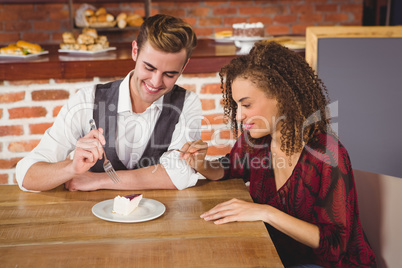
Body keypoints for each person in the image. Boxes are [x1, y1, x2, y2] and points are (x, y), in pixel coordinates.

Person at [180, 41, 377, 267]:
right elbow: (229, 169)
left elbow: (333, 246)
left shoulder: (327, 154)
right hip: (280, 258)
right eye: (237, 106)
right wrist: (202, 164)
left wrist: (266, 212)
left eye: (247, 104)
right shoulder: (255, 141)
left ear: (282, 97)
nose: (238, 116)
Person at [16, 14, 201, 192]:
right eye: (149, 68)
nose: (156, 82)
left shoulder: (187, 103)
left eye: (170, 74)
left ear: (183, 67)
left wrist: (99, 180)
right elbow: (26, 175)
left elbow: (180, 173)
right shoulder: (87, 100)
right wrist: (71, 168)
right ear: (135, 51)